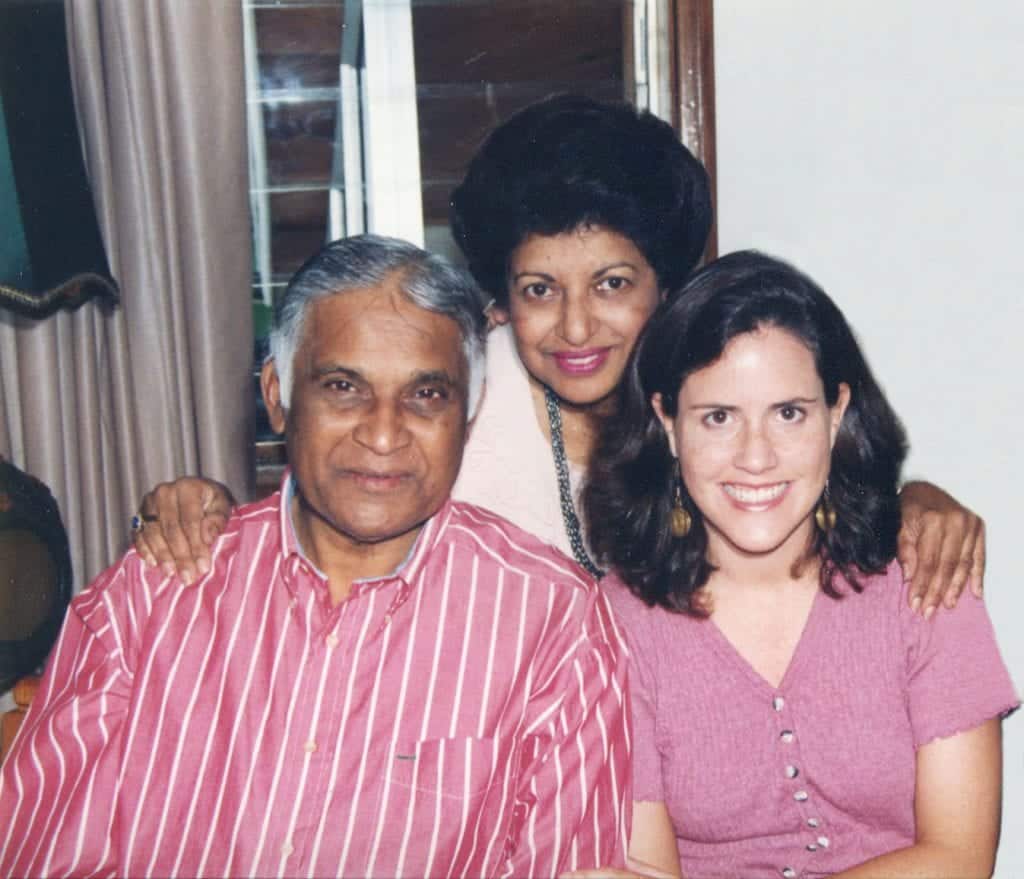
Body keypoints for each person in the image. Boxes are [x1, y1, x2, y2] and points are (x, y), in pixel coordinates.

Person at [133, 95, 982, 610]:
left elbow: (812, 482)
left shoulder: (711, 384)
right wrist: (203, 503)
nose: (576, 329)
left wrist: (919, 499)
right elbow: (340, 490)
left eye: (612, 284)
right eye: (541, 289)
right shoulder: (459, 392)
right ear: (502, 300)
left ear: (667, 282)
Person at [0, 236, 631, 878]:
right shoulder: (153, 593)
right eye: (342, 387)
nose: (383, 434)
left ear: (466, 419)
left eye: (426, 396)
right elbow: (41, 857)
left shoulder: (555, 623)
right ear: (277, 395)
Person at [580, 251, 1018, 878]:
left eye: (789, 413)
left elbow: (959, 859)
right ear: (669, 424)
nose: (756, 457)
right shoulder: (617, 626)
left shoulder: (923, 578)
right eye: (719, 417)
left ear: (836, 413)